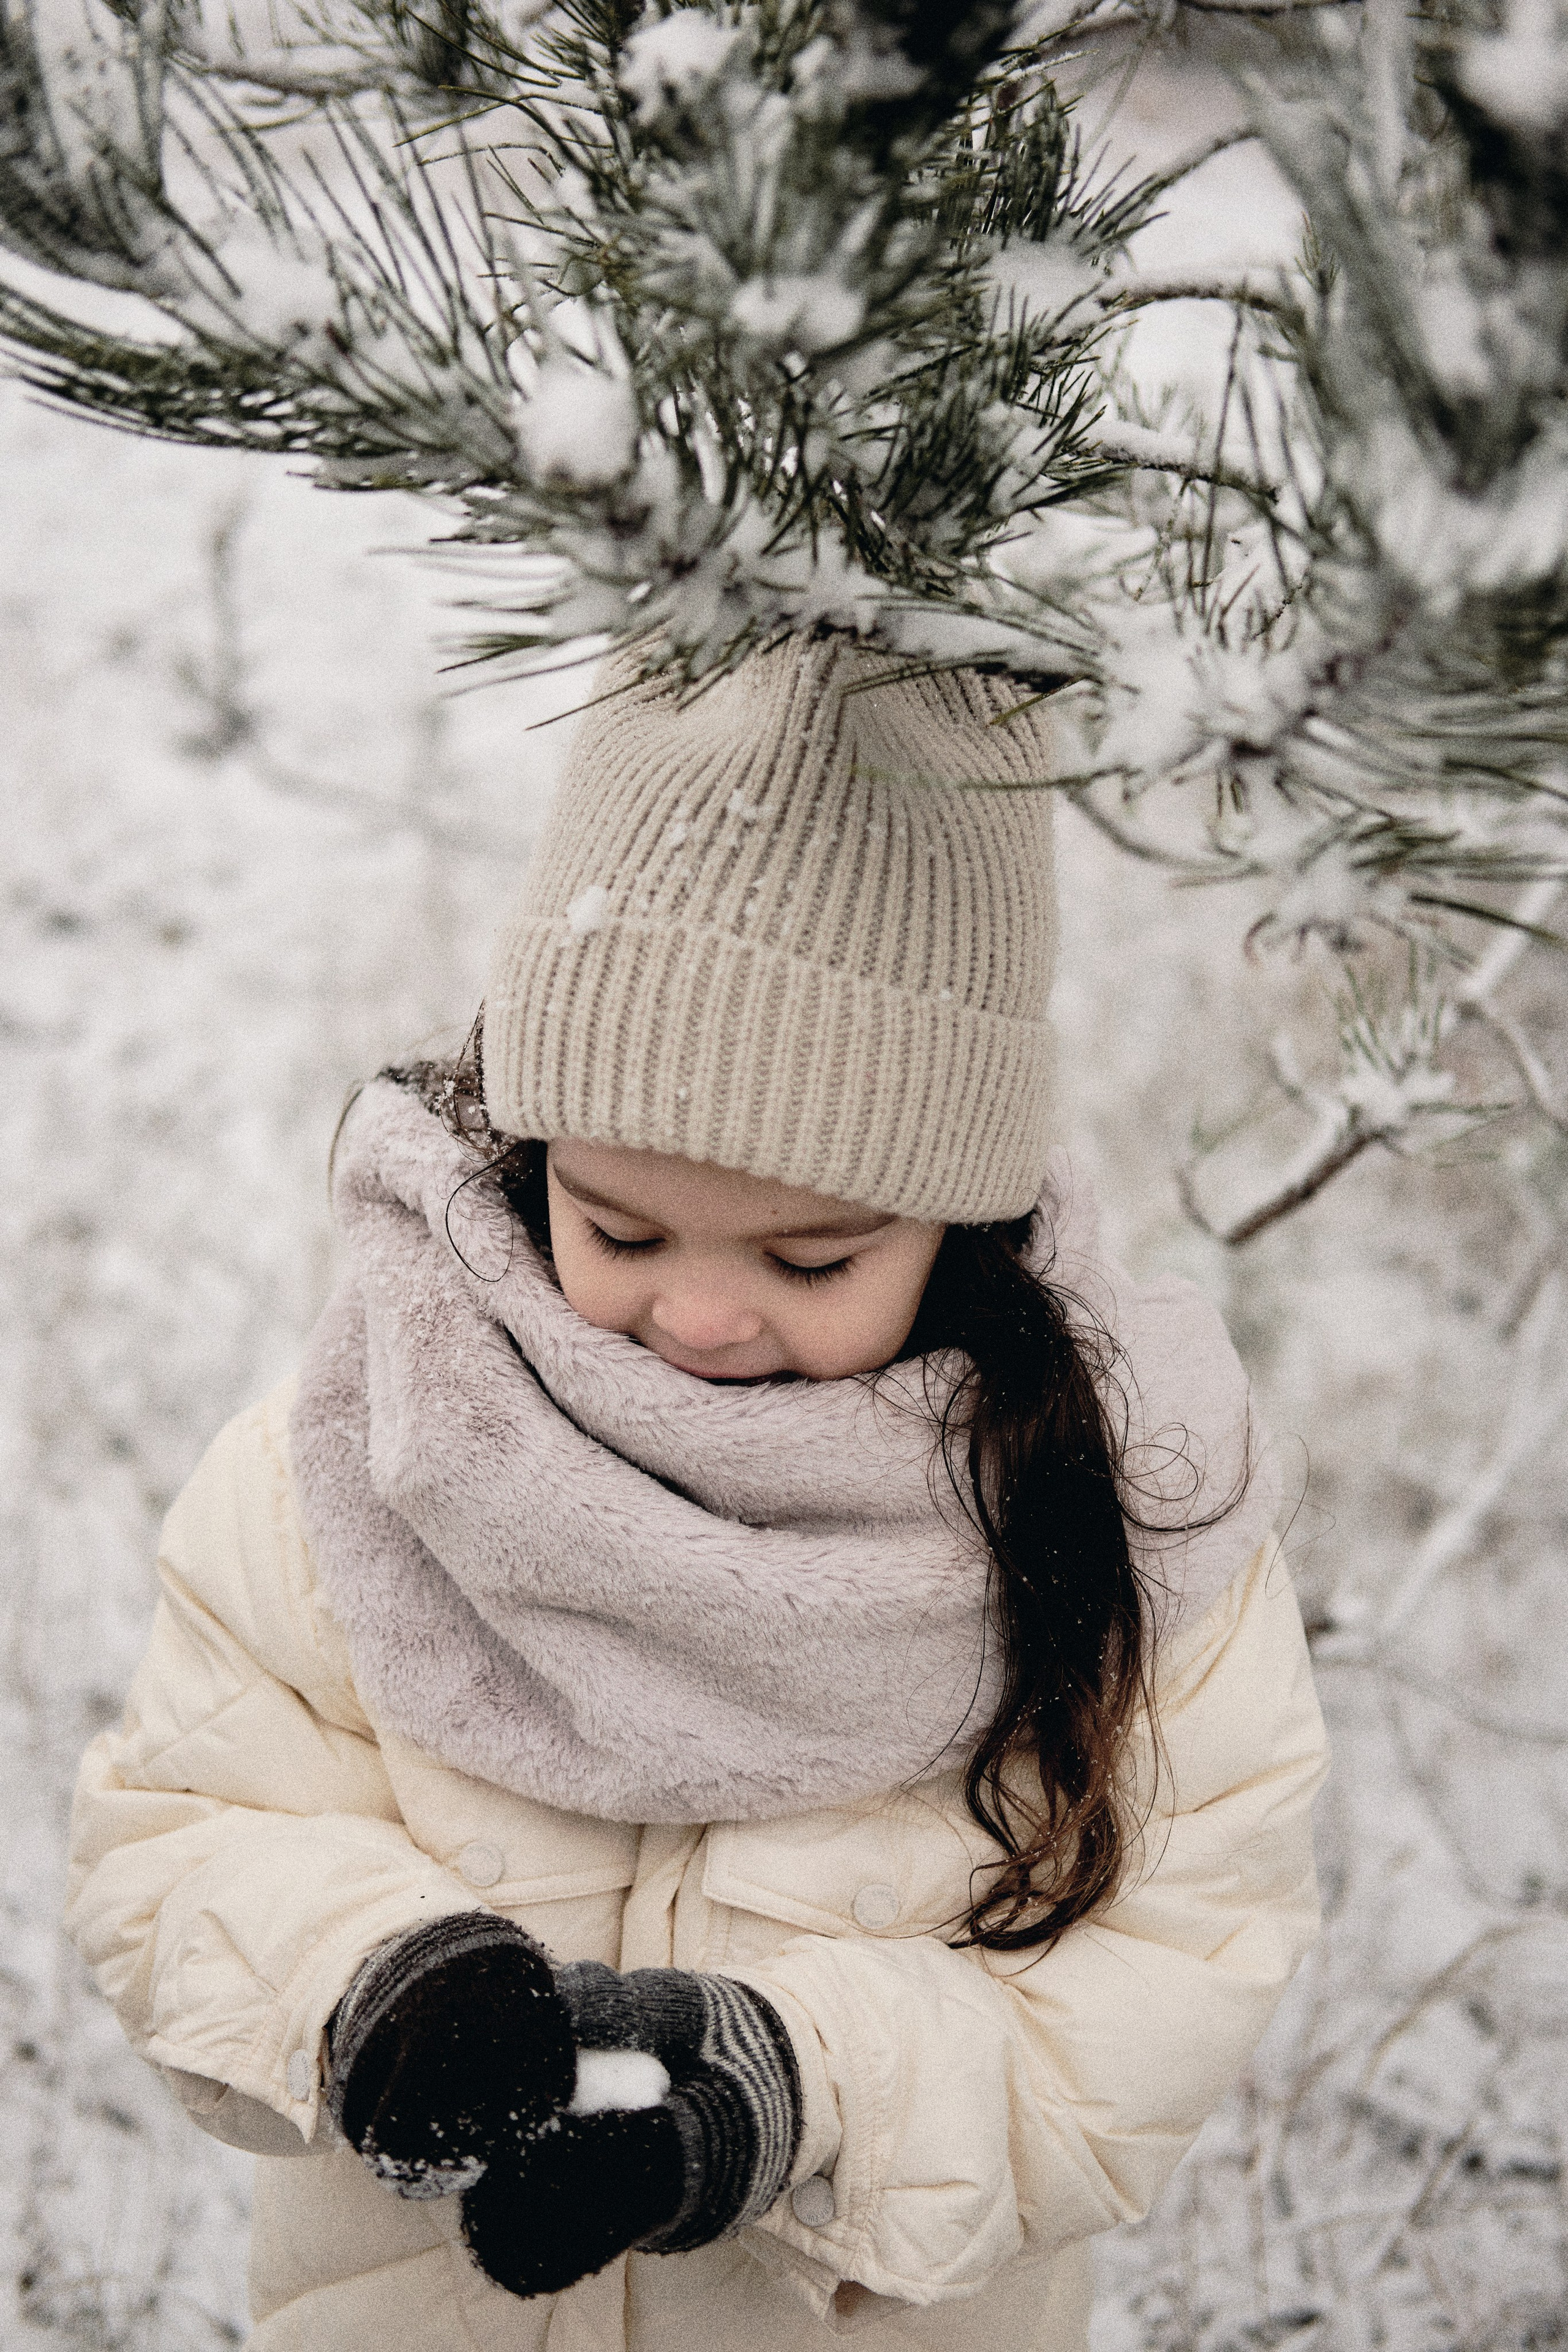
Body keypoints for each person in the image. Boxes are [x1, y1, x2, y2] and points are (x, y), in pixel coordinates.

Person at [65, 636, 1327, 2351]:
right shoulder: (363, 1459)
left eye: (815, 1254)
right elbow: (178, 1838)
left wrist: (799, 2093)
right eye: (621, 1230)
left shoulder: (1113, 1524)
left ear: (961, 1222)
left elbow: (1171, 1976)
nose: (706, 1317)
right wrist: (365, 1983)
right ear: (529, 1157)